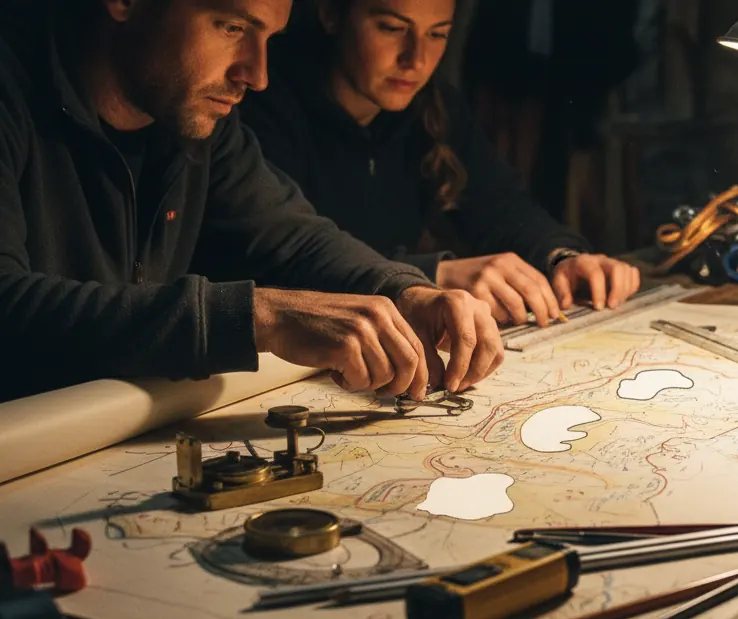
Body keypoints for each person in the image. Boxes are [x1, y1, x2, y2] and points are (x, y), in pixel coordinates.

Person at [0, 0, 504, 405]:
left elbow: (290, 235)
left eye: (269, 37)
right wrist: (260, 316)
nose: (257, 74)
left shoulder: (192, 115)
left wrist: (405, 291)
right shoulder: (13, 80)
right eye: (232, 26)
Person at [237, 0, 641, 330]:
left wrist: (562, 258)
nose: (416, 59)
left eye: (437, 34)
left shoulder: (433, 106)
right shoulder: (264, 106)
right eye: (392, 28)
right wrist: (435, 275)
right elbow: (285, 259)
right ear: (331, 14)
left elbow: (502, 207)